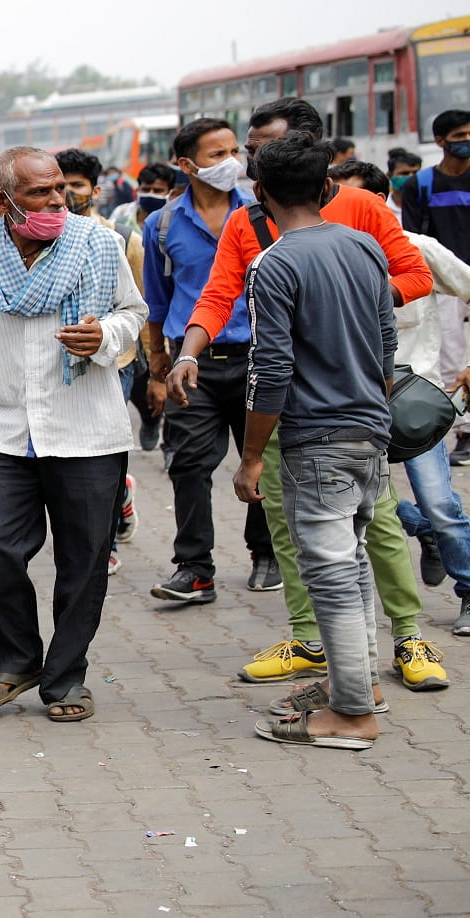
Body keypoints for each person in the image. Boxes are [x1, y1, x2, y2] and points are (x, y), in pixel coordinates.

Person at [177, 97, 445, 692]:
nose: (251, 163)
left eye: (261, 151)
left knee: (374, 527)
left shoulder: (363, 211)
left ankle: (405, 639)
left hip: (344, 400)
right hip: (283, 410)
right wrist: (189, 352)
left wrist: (335, 305)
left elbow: (416, 276)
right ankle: (312, 642)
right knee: (290, 527)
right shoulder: (247, 223)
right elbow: (218, 295)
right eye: (250, 151)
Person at [0, 148, 147, 722]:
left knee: (82, 564)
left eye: (60, 188)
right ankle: (15, 661)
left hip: (88, 431)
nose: (58, 200)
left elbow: (133, 311)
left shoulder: (99, 243)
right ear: (2, 202)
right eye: (40, 192)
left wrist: (105, 336)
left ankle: (66, 678)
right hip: (9, 430)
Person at [235, 132, 396, 751]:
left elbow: (270, 369)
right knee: (350, 563)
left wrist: (252, 456)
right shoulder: (364, 245)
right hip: (370, 431)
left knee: (329, 572)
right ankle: (360, 686)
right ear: (328, 187)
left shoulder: (273, 264)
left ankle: (352, 714)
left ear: (260, 193)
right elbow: (386, 343)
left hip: (317, 439)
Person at [142, 118, 280, 603]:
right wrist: (157, 361)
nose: (232, 163)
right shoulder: (162, 225)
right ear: (187, 164)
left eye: (234, 152)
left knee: (261, 460)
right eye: (217, 155)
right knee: (188, 464)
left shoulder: (264, 214)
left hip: (259, 357)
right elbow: (157, 301)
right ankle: (195, 569)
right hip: (191, 363)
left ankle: (266, 553)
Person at [332, 160, 470, 638]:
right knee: (367, 505)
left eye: (351, 197)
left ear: (379, 202)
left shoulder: (417, 249)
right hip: (350, 403)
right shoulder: (323, 253)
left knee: (439, 503)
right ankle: (422, 532)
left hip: (413, 404)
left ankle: (468, 588)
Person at [57, 148, 144, 574]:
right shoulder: (42, 239)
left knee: (100, 457)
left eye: (76, 185)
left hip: (116, 364)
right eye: (60, 185)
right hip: (62, 366)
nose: (66, 194)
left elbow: (138, 308)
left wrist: (154, 364)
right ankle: (119, 499)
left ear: (95, 190)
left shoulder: (120, 239)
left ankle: (103, 545)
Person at [401, 110, 470, 466]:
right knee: (450, 359)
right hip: (443, 283)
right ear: (440, 141)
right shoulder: (422, 184)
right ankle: (463, 431)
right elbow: (412, 239)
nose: (466, 141)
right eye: (459, 136)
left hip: (464, 279)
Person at [112, 162, 183, 452]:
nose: (151, 194)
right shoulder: (121, 220)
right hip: (128, 311)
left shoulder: (172, 222)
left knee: (151, 380)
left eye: (158, 190)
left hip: (161, 312)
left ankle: (154, 421)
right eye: (146, 188)